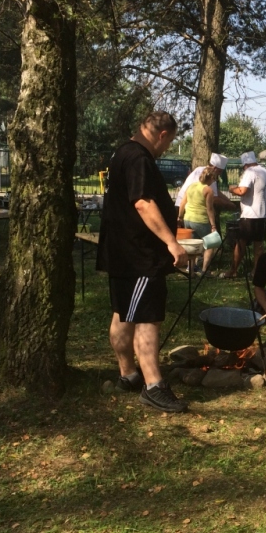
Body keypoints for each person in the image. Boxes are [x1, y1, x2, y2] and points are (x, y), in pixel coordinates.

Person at [96, 111, 188, 413]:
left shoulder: (122, 152)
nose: (167, 148)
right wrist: (171, 242)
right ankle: (153, 386)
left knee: (123, 314)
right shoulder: (139, 158)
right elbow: (143, 202)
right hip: (139, 256)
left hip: (122, 252)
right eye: (170, 141)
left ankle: (129, 375)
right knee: (148, 318)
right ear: (162, 135)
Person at [223, 151, 266, 278]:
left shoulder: (250, 172)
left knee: (240, 243)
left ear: (245, 164)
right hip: (265, 214)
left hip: (251, 214)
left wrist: (232, 189)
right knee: (259, 245)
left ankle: (233, 271)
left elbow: (242, 191)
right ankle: (256, 272)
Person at [175, 153, 236, 232]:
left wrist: (228, 200)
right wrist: (228, 204)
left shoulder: (201, 170)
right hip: (189, 210)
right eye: (220, 171)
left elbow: (216, 191)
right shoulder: (210, 175)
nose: (220, 174)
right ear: (215, 168)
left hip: (183, 209)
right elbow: (214, 199)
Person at [177, 166, 218, 276]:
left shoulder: (191, 186)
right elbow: (209, 209)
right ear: (211, 178)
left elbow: (183, 203)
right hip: (200, 219)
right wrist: (213, 225)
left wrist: (180, 217)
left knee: (193, 246)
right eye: (214, 179)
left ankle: (190, 270)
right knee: (210, 244)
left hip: (188, 218)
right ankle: (204, 271)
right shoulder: (208, 190)